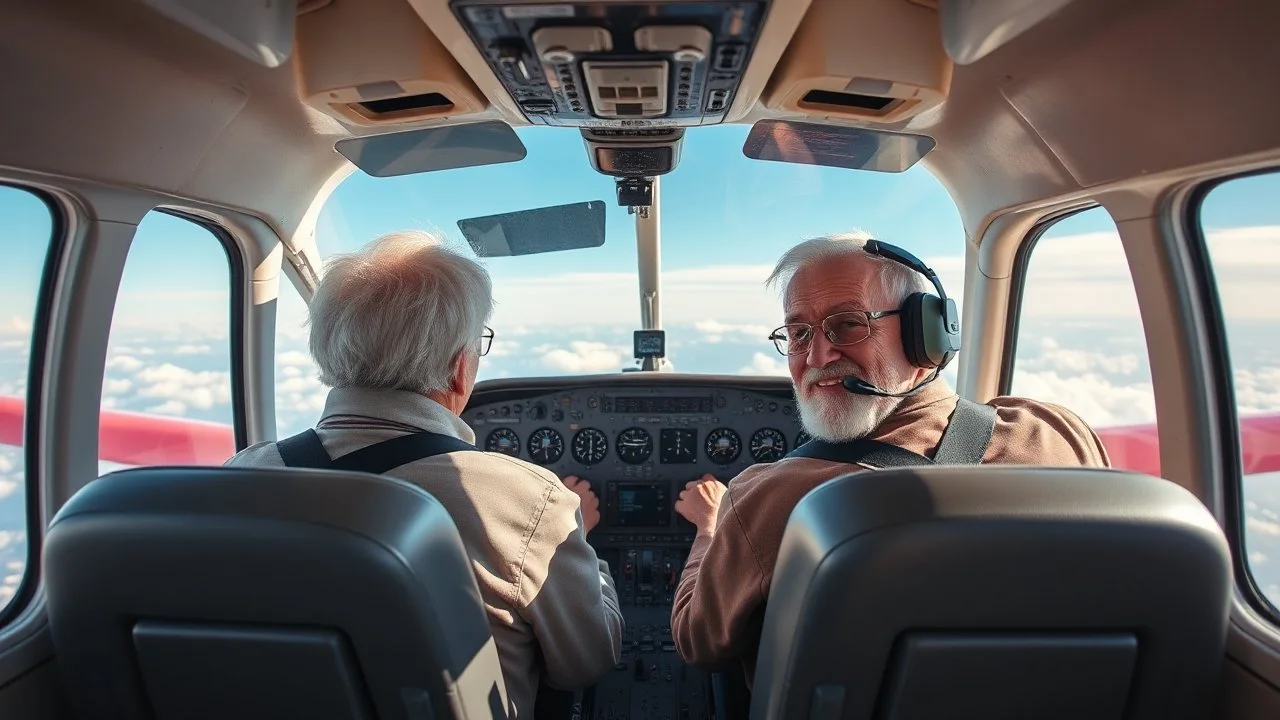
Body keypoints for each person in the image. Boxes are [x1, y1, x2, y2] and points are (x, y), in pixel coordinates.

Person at [670, 230, 1110, 684]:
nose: (818, 355)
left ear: (927, 337)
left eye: (848, 324)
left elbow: (696, 641)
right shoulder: (1058, 433)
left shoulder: (776, 498)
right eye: (798, 333)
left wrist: (709, 527)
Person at [225, 231, 622, 718]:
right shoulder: (527, 500)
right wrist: (582, 539)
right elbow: (587, 661)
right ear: (459, 367)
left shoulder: (240, 476)